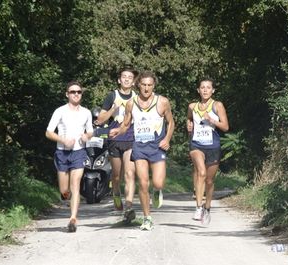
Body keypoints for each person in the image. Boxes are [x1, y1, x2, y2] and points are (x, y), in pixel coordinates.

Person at [109, 71, 175, 231]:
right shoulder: (131, 104)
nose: (146, 88)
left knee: (158, 183)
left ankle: (158, 191)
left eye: (150, 85)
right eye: (144, 85)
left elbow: (171, 122)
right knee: (143, 184)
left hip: (157, 147)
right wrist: (118, 130)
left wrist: (167, 139)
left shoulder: (162, 102)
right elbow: (126, 124)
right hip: (139, 147)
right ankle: (147, 218)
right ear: (138, 85)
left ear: (154, 86)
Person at [46, 81, 93, 232]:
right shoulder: (60, 111)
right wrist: (63, 140)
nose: (76, 94)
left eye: (79, 92)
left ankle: (73, 218)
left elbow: (90, 131)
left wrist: (87, 136)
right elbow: (48, 132)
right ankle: (64, 195)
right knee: (65, 190)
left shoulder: (86, 112)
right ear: (67, 94)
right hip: (62, 152)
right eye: (73, 92)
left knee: (76, 185)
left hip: (79, 152)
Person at [96, 66, 138, 223]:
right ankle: (115, 192)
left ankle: (128, 206)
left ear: (133, 82)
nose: (127, 79)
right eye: (124, 76)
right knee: (116, 175)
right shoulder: (111, 96)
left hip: (131, 138)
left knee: (129, 174)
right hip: (114, 139)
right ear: (119, 80)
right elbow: (100, 120)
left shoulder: (137, 97)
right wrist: (114, 108)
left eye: (130, 77)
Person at [187, 78, 229, 225]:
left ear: (213, 90)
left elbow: (225, 127)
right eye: (202, 88)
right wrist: (189, 124)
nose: (205, 90)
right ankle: (198, 207)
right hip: (196, 145)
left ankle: (207, 207)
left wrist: (211, 120)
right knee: (201, 173)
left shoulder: (217, 105)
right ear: (198, 90)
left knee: (210, 181)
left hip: (213, 146)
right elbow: (189, 118)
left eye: (208, 88)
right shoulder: (192, 106)